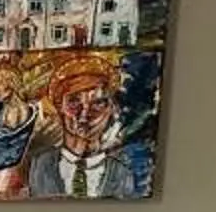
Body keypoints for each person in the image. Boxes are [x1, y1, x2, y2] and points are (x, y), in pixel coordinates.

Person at [26, 53, 154, 199]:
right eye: (74, 102)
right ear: (59, 107)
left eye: (98, 103)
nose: (85, 114)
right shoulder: (39, 166)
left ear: (111, 109)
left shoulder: (122, 174)